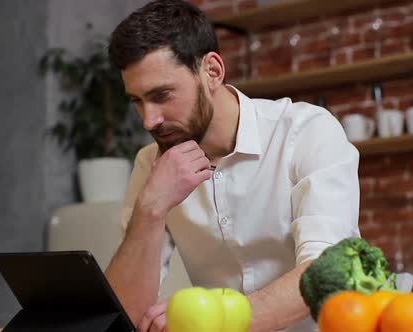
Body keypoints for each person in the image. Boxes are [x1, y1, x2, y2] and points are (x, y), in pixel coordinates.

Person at [104, 1, 360, 331]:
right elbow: (123, 311)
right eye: (137, 101)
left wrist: (214, 317)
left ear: (212, 71)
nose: (149, 120)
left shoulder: (306, 132)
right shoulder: (150, 164)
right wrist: (150, 209)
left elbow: (328, 272)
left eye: (162, 95)